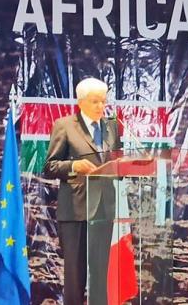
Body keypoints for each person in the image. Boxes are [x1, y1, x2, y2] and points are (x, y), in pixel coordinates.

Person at [43, 77, 121, 305]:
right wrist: (74, 165)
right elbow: (50, 166)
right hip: (75, 210)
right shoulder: (65, 125)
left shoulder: (111, 127)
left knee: (101, 274)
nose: (100, 106)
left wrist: (129, 166)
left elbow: (116, 161)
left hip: (104, 209)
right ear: (81, 102)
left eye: (103, 101)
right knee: (75, 275)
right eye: (95, 101)